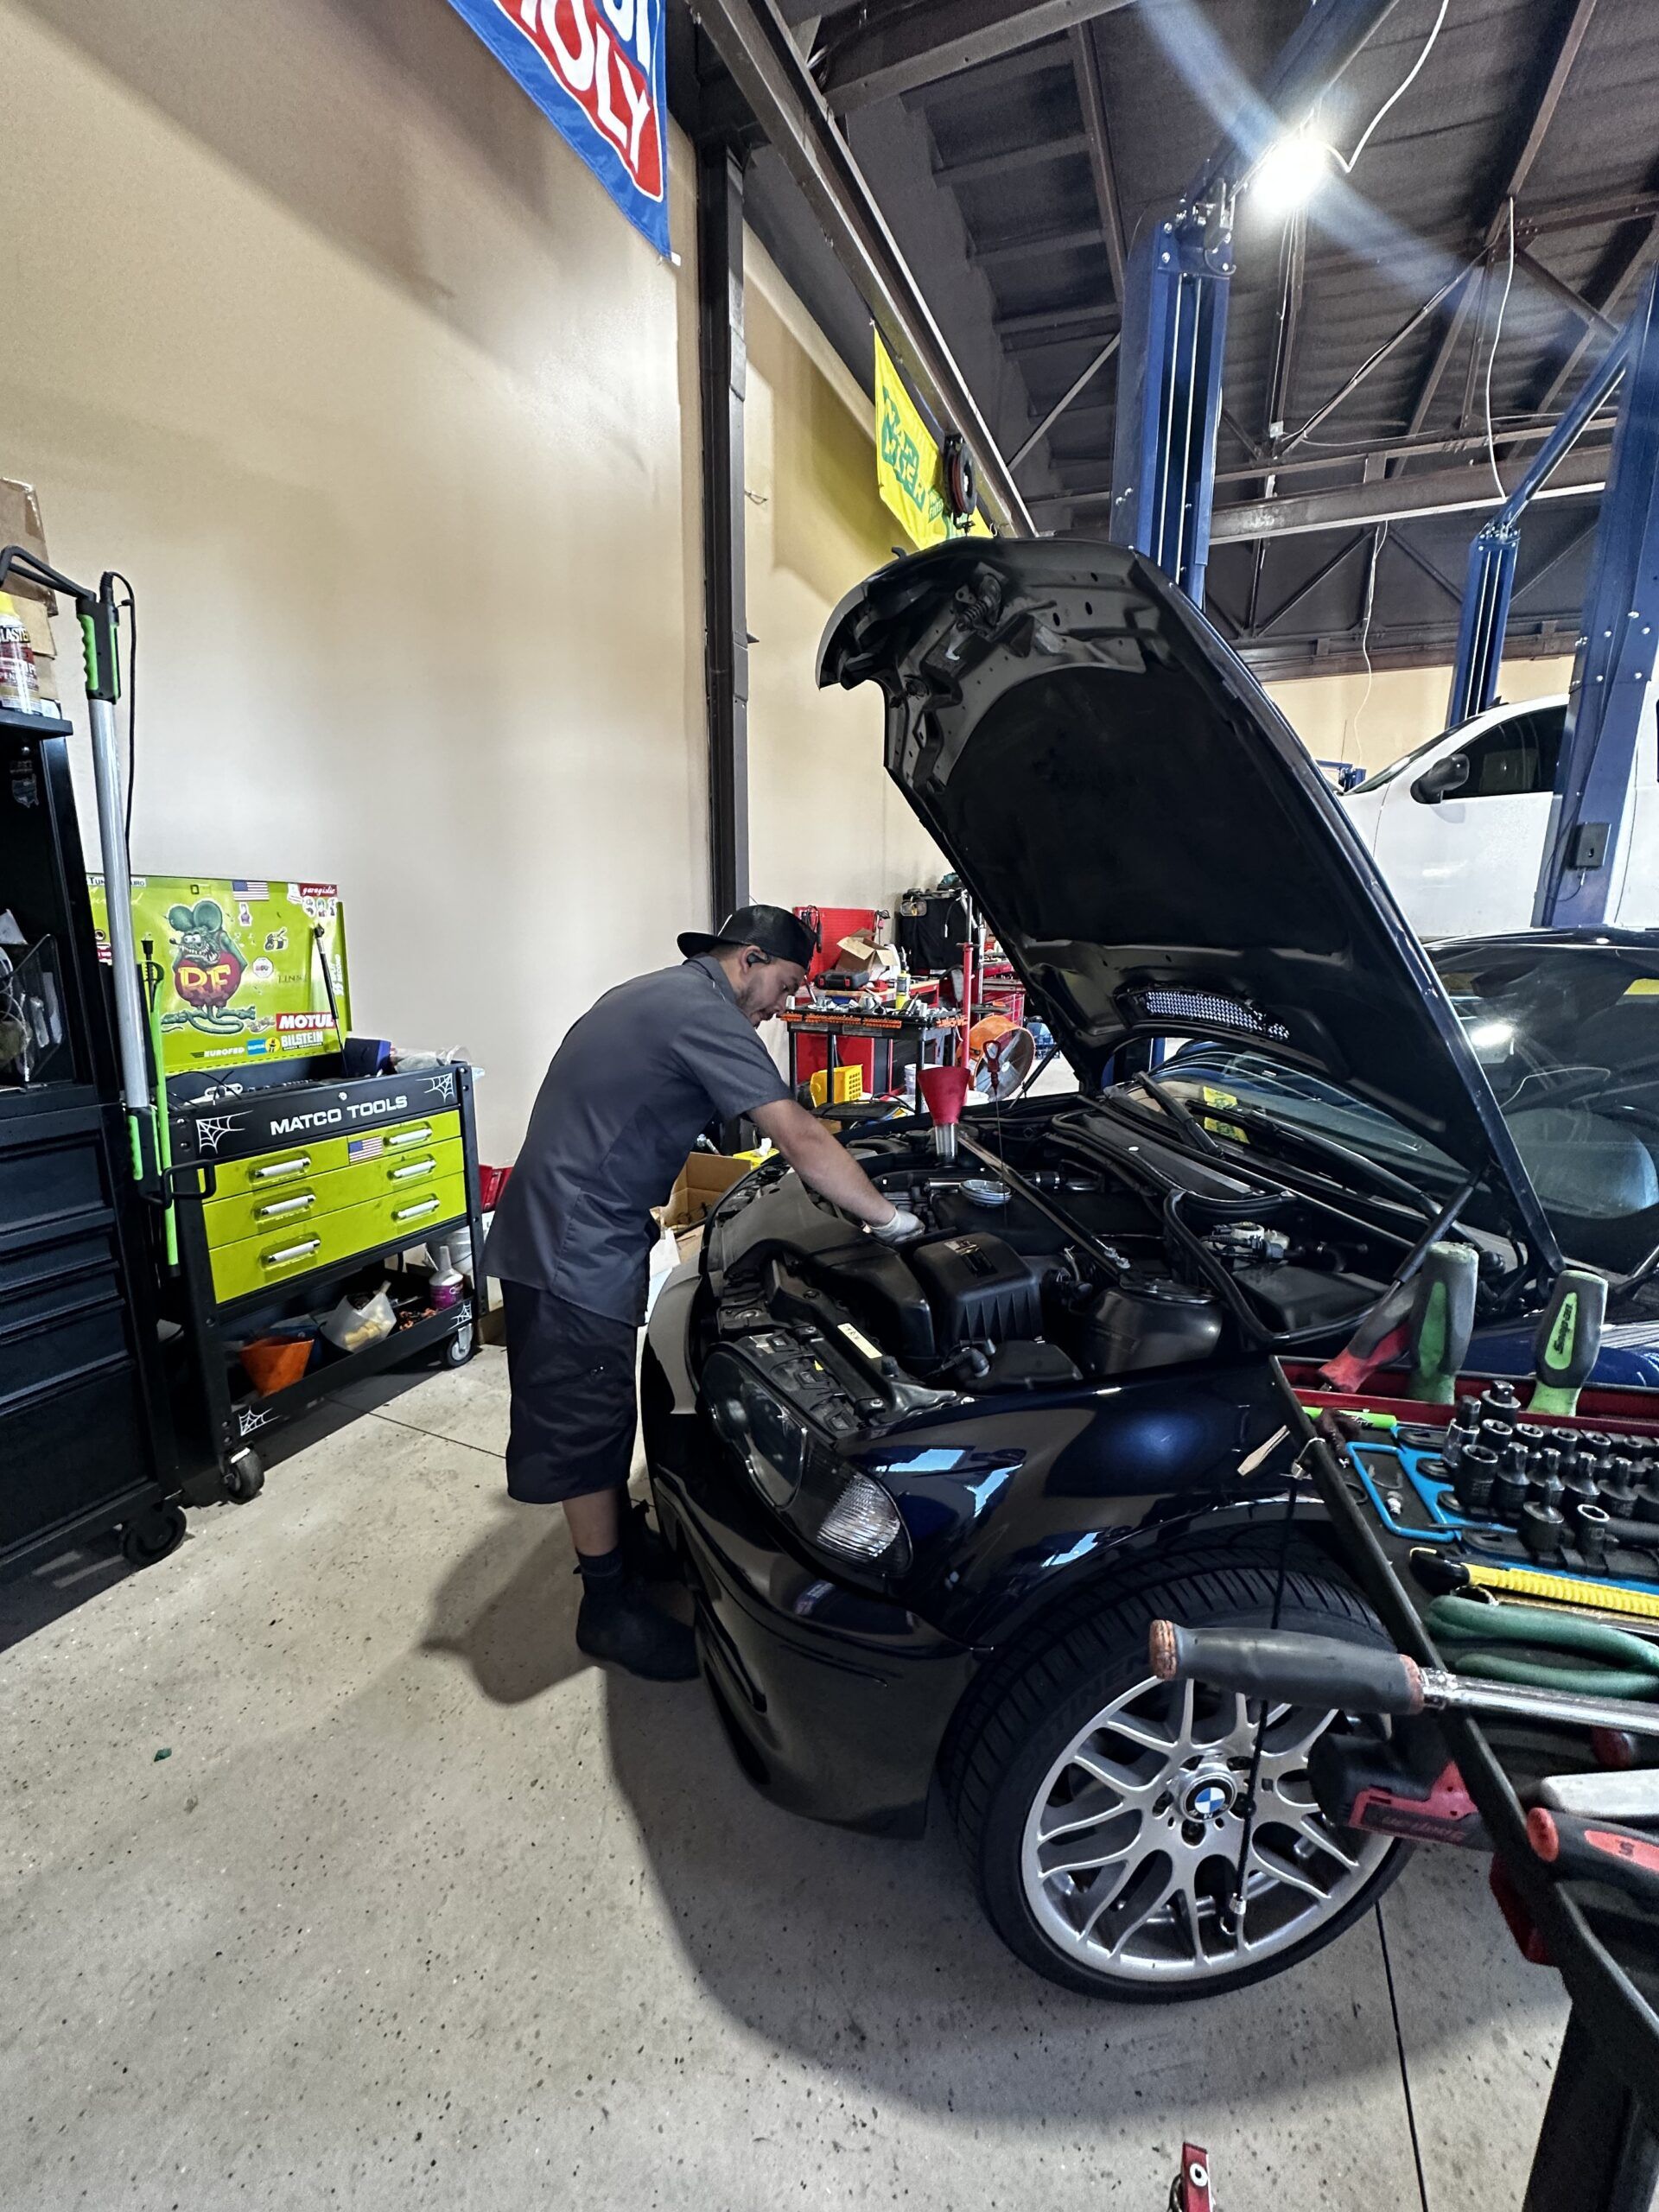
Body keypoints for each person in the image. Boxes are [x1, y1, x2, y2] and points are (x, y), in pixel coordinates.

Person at [484, 905, 923, 1681]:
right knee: (586, 1420)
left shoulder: (657, 993)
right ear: (749, 960)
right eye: (783, 986)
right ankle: (607, 1609)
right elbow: (800, 1136)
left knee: (607, 1404)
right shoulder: (706, 1013)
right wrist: (893, 1224)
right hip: (571, 1243)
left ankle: (620, 1539)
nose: (780, 1007)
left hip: (573, 1223)